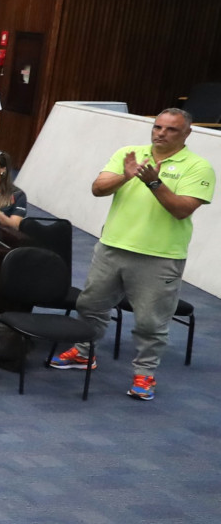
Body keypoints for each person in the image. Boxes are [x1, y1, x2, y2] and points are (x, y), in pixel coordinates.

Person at [53, 109, 213, 400]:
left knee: (151, 321)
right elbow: (98, 189)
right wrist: (124, 177)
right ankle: (84, 352)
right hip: (112, 246)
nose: (160, 133)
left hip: (160, 256)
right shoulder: (130, 153)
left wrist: (153, 182)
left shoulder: (198, 167)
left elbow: (181, 209)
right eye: (157, 127)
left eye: (171, 130)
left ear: (187, 134)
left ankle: (145, 374)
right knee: (90, 304)